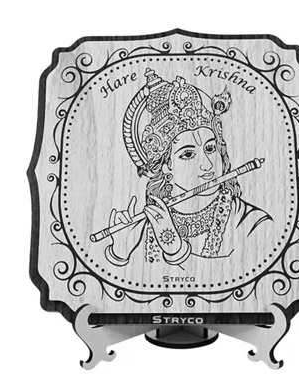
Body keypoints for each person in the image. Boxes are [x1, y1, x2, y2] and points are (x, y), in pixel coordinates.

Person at [104, 69, 272, 268]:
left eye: (210, 149)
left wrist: (175, 250)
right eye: (188, 154)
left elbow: (230, 277)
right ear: (165, 166)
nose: (207, 165)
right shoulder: (145, 227)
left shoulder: (253, 223)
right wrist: (121, 250)